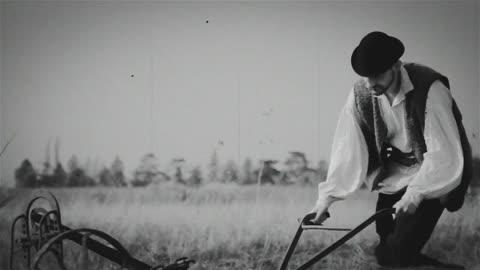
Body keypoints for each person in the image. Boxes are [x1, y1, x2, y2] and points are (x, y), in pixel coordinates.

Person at [309, 31, 472, 267]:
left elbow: (442, 152)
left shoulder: (429, 89)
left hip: (430, 177)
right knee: (387, 254)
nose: (369, 83)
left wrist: (415, 195)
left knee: (399, 252)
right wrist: (326, 199)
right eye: (365, 76)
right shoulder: (362, 94)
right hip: (394, 177)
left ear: (396, 66)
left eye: (376, 75)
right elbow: (346, 149)